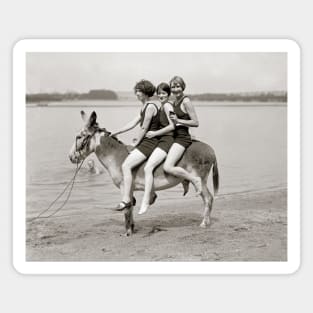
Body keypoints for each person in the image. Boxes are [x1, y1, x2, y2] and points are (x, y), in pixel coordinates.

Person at [111, 79, 159, 211]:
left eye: (139, 91)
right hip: (146, 141)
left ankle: (127, 199)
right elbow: (132, 123)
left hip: (150, 142)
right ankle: (149, 193)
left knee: (126, 165)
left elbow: (143, 128)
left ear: (146, 92)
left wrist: (136, 143)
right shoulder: (144, 107)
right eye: (136, 91)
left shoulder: (150, 107)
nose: (137, 94)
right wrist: (117, 131)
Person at [138, 82, 175, 214]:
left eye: (164, 93)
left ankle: (146, 200)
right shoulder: (161, 106)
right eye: (159, 93)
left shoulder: (167, 106)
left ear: (169, 95)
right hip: (161, 140)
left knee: (148, 167)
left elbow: (172, 126)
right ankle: (152, 193)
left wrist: (154, 133)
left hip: (167, 140)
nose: (161, 95)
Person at [163, 76, 202, 194]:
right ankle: (184, 180)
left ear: (183, 87)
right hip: (173, 137)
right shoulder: (174, 102)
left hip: (182, 138)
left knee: (167, 167)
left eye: (178, 86)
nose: (175, 89)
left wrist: (178, 120)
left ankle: (194, 179)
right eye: (173, 87)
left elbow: (195, 122)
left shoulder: (186, 101)